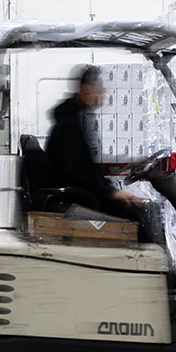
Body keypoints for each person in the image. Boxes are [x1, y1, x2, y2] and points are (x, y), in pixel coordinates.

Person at [45, 65, 146, 230]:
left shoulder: (76, 117)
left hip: (81, 192)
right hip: (78, 197)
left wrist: (128, 162)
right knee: (135, 216)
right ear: (86, 89)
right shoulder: (72, 123)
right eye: (99, 87)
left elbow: (86, 160)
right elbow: (78, 170)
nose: (103, 91)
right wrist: (111, 192)